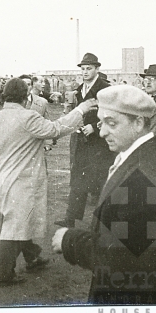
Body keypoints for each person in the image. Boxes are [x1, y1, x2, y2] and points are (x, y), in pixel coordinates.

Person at [52, 85, 156, 304]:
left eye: (111, 123)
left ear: (138, 123)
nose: (103, 131)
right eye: (100, 123)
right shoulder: (142, 155)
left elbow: (118, 255)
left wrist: (70, 240)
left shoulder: (144, 176)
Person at [0, 78, 98, 287]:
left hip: (0, 179)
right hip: (20, 181)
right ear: (26, 97)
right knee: (15, 224)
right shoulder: (28, 117)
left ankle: (32, 257)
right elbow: (56, 129)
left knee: (18, 218)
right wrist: (80, 110)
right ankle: (3, 274)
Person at [55, 53, 115, 228]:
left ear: (97, 69)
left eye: (89, 68)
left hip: (100, 143)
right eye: (83, 69)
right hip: (82, 141)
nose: (85, 72)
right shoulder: (80, 88)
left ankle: (102, 223)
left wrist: (95, 128)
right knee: (77, 179)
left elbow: (111, 113)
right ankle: (70, 218)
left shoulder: (105, 88)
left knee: (101, 181)